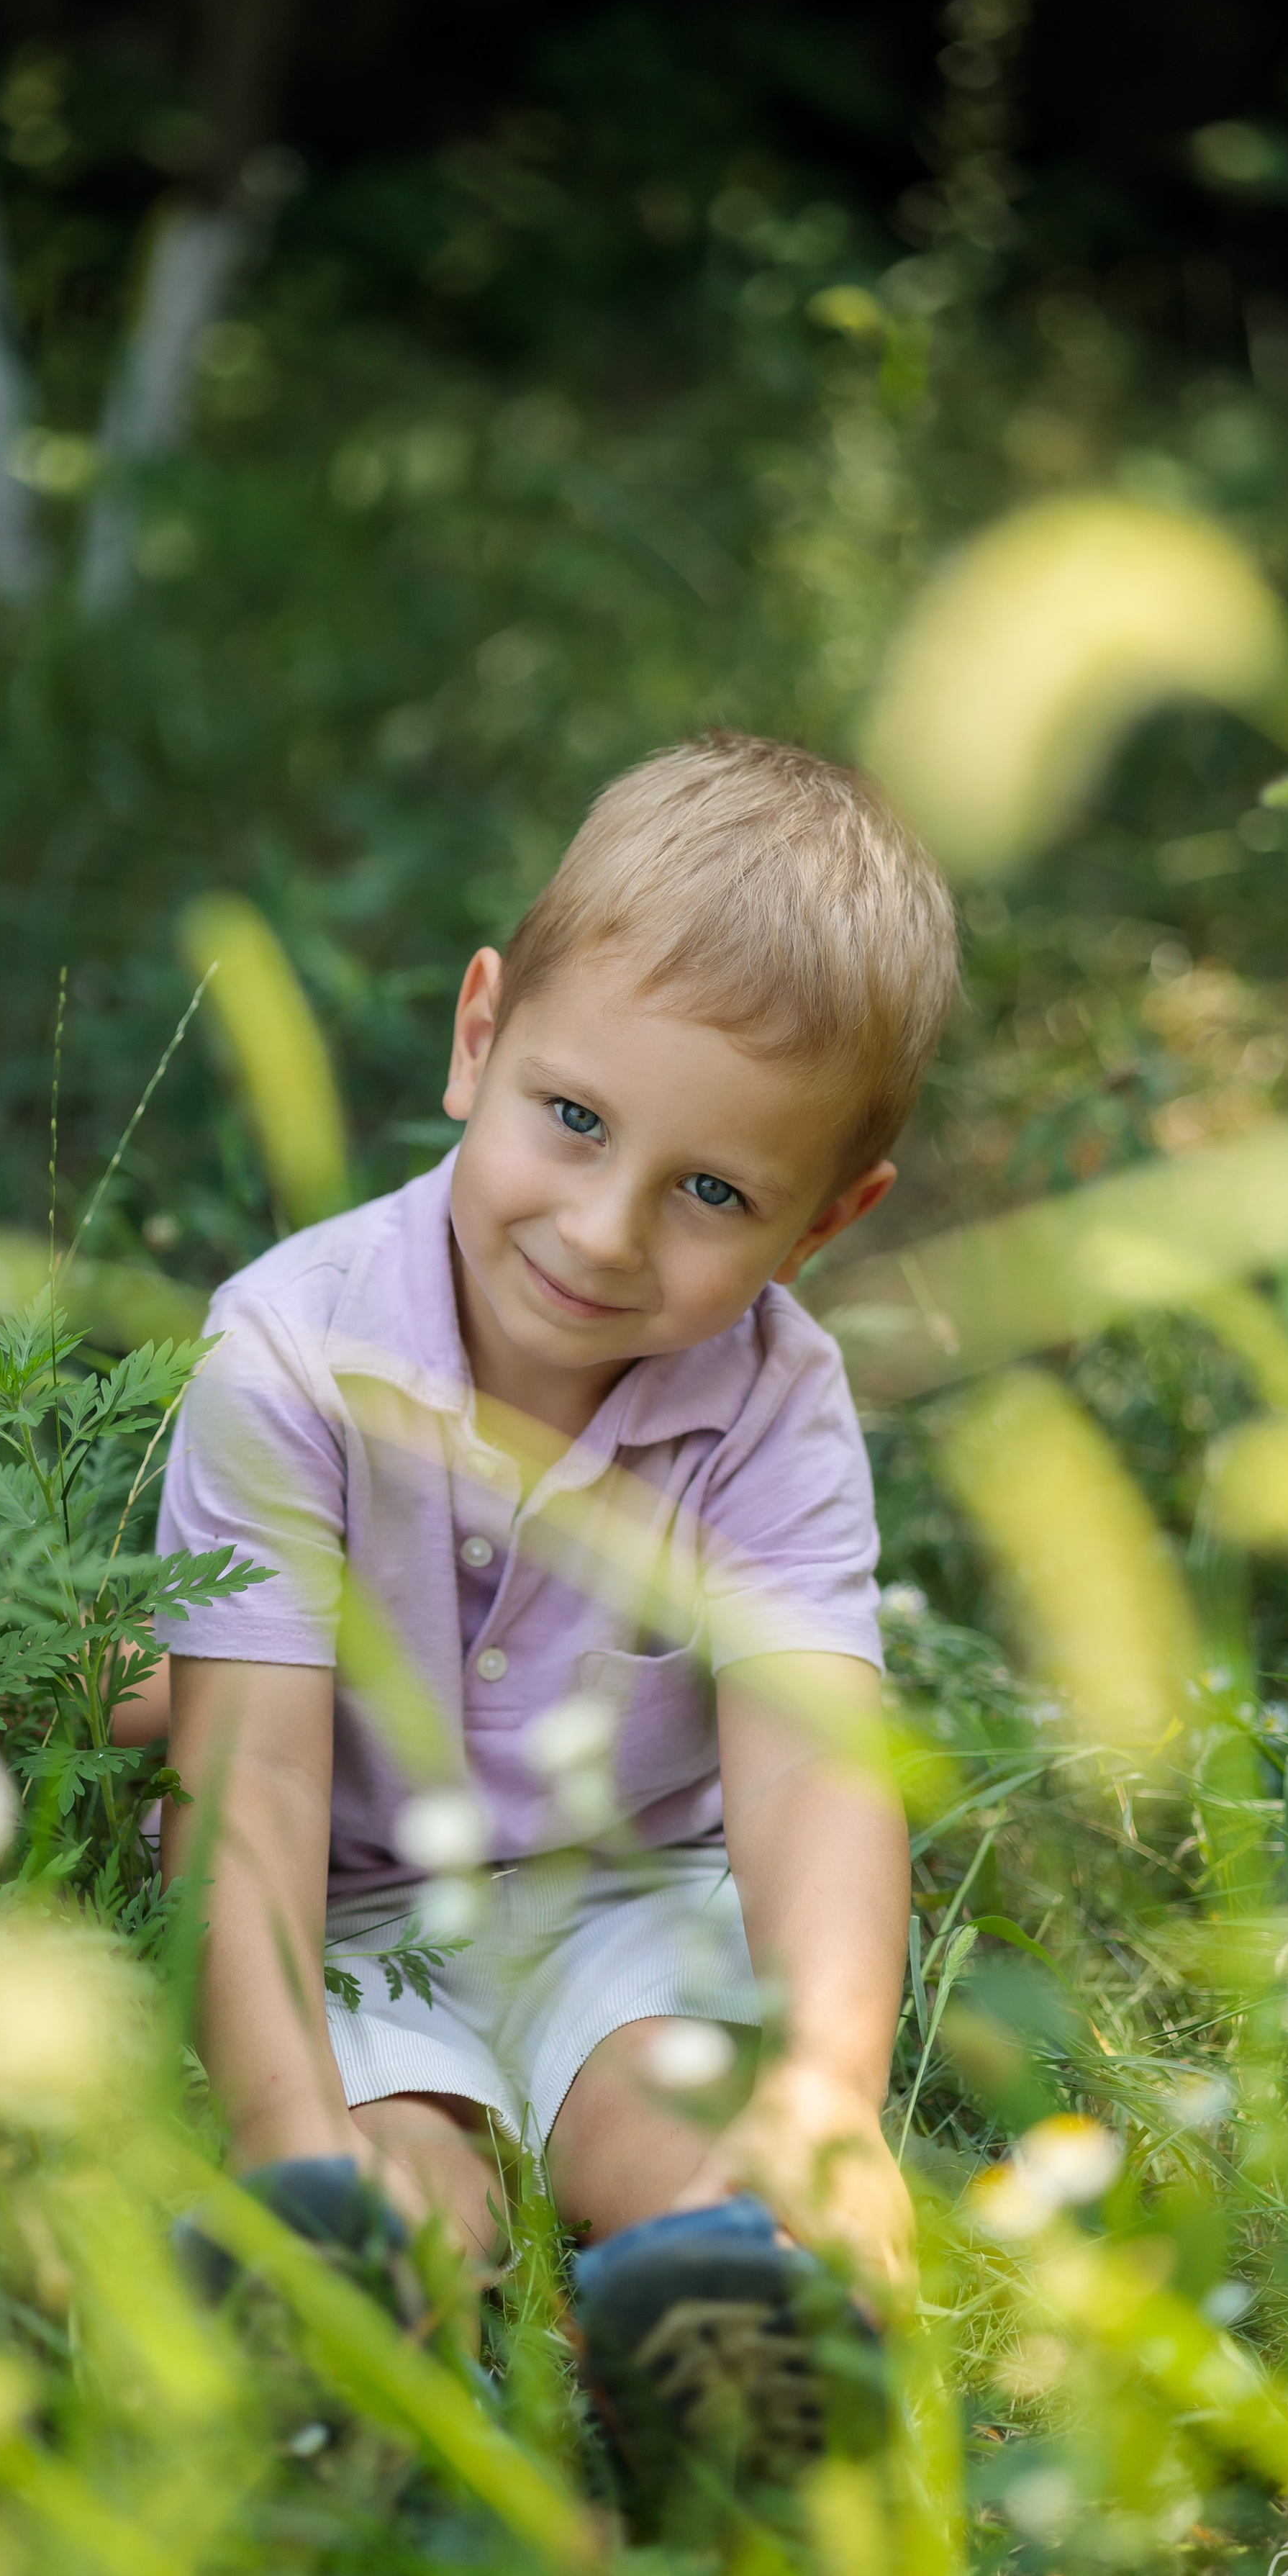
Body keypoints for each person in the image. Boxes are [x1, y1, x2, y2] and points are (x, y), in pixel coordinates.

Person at [157, 731, 959, 2475]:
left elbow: (811, 1767)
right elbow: (253, 1786)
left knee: (676, 2131)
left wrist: (824, 2089)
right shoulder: (294, 1349)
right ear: (477, 1038)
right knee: (394, 2164)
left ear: (824, 1223)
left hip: (628, 1902)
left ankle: (740, 2405)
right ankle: (349, 2368)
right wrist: (285, 2123)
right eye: (574, 1120)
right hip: (369, 1910)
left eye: (712, 1193)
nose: (601, 1232)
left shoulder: (768, 1399)